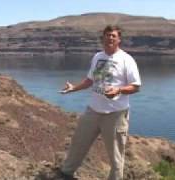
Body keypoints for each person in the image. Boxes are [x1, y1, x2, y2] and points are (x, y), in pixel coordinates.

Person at [58, 25, 141, 180]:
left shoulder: (126, 59)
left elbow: (136, 86)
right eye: (107, 35)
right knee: (78, 144)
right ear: (102, 38)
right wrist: (74, 88)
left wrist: (119, 90)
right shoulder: (97, 57)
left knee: (116, 156)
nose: (110, 38)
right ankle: (65, 174)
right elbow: (90, 80)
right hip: (93, 111)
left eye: (113, 36)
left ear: (119, 39)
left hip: (115, 114)